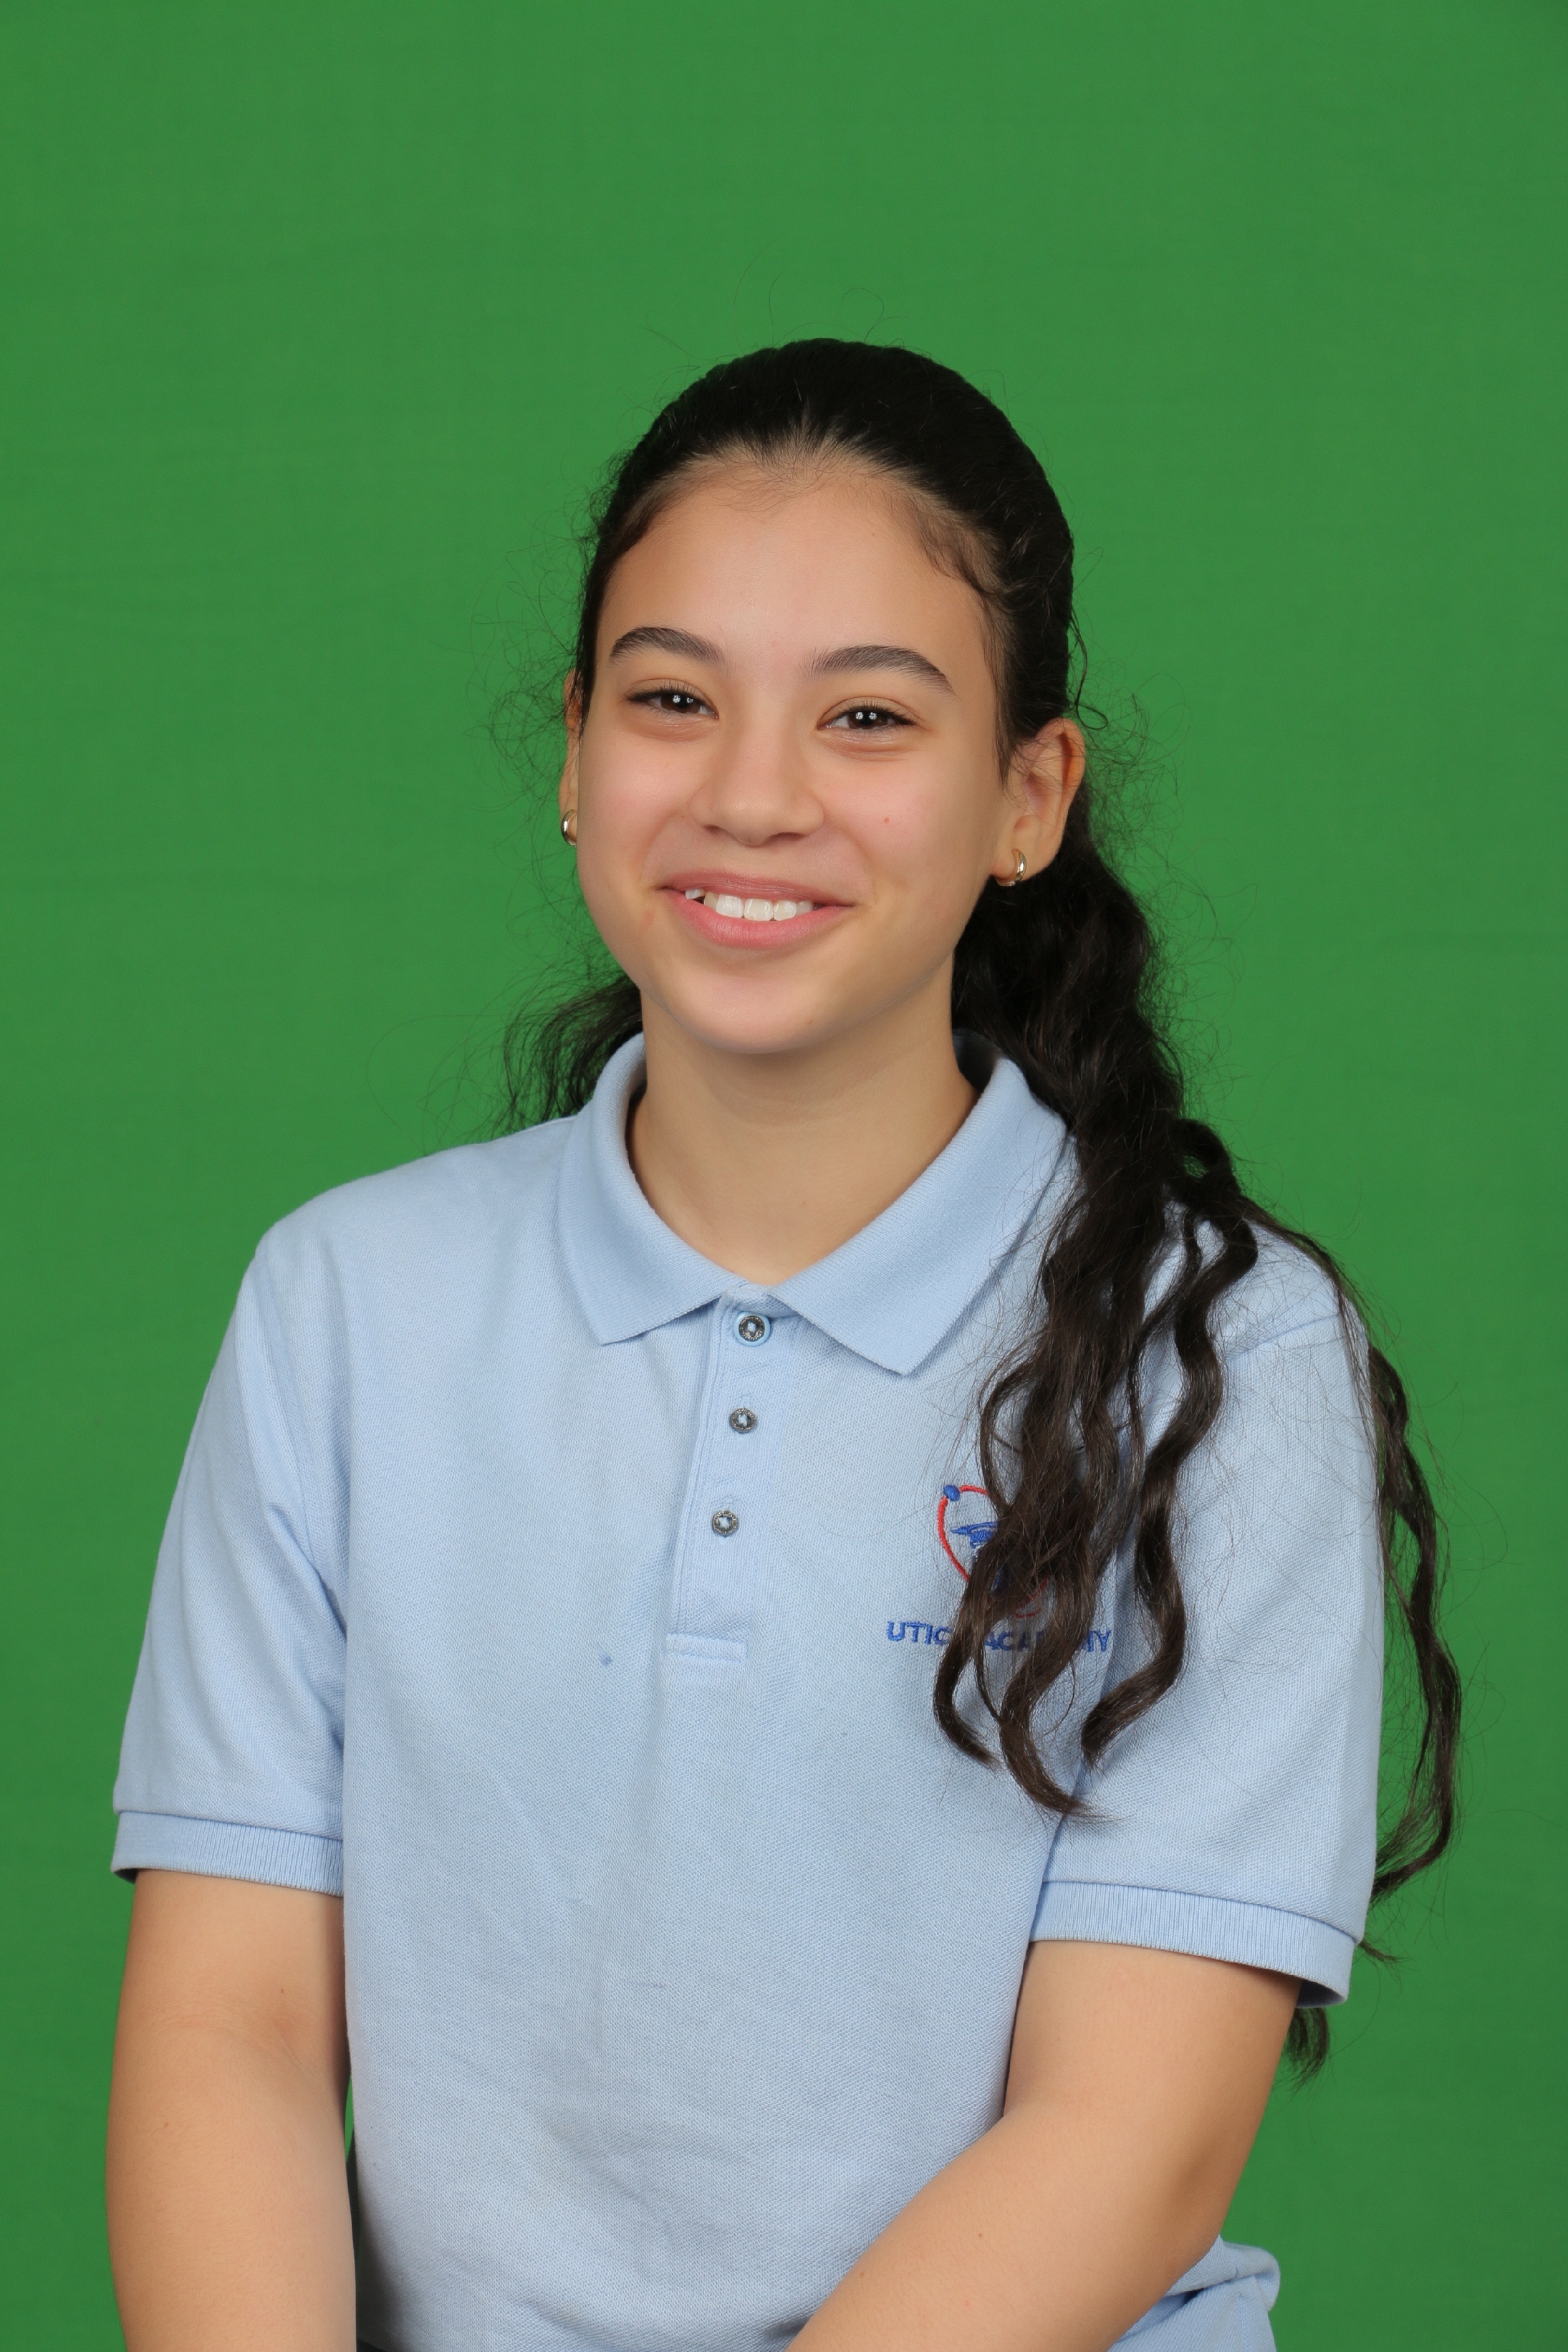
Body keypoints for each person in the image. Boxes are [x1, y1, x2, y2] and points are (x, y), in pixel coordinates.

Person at [105, 340, 1459, 2352]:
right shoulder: (345, 1305)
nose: (752, 795)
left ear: (1028, 798)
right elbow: (232, 2032)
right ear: (575, 753)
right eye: (672, 698)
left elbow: (1130, 2135)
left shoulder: (1220, 1354)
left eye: (868, 716)